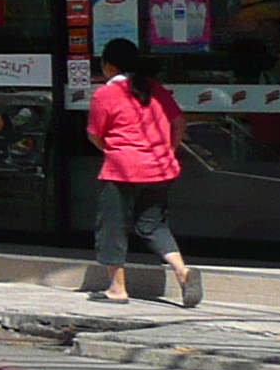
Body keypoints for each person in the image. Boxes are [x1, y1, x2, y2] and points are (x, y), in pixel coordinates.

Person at [86, 38, 201, 307]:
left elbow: (94, 134)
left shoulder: (105, 94)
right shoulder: (155, 88)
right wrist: (168, 150)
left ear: (109, 66)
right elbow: (179, 121)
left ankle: (117, 289)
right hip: (159, 169)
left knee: (112, 228)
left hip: (121, 170)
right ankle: (183, 272)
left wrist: (112, 150)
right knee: (153, 225)